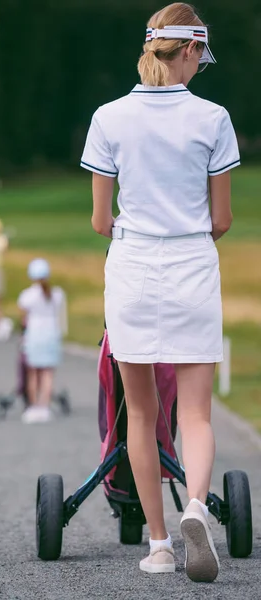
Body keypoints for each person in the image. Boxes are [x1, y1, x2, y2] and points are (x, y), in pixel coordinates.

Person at [80, 2, 240, 582]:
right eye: (202, 55)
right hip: (193, 264)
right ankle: (195, 506)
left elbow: (101, 221)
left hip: (133, 267)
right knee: (195, 412)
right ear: (191, 50)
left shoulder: (109, 117)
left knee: (142, 415)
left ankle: (159, 545)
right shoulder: (213, 118)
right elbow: (221, 218)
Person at [17, 258, 67, 424]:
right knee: (47, 373)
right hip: (51, 334)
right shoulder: (57, 294)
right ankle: (44, 407)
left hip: (34, 335)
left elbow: (23, 318)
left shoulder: (27, 296)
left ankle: (34, 406)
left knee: (34, 373)